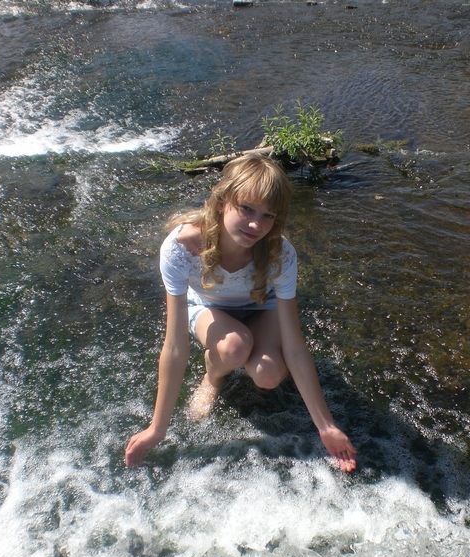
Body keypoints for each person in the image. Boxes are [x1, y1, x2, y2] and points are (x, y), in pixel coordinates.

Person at [125, 154, 357, 472]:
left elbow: (294, 344)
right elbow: (175, 346)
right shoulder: (181, 247)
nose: (255, 225)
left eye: (267, 215)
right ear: (223, 202)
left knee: (268, 375)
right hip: (208, 308)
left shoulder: (280, 254)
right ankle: (213, 377)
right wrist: (157, 429)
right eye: (246, 208)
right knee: (234, 347)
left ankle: (243, 360)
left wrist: (326, 427)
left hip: (262, 306)